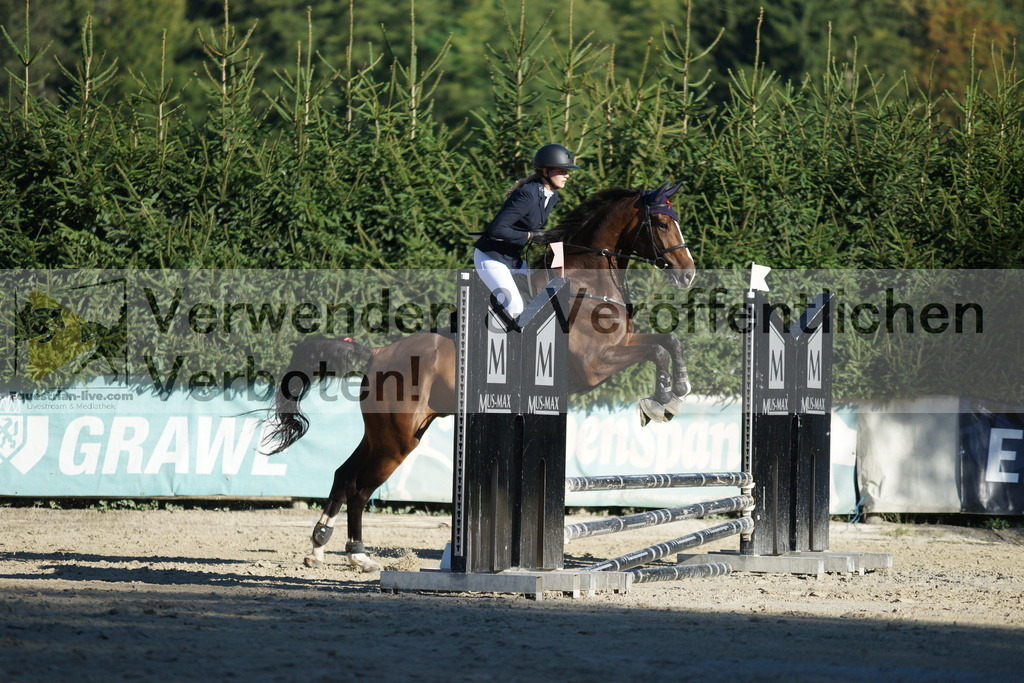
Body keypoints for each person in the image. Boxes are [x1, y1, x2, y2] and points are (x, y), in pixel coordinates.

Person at [473, 144, 580, 326]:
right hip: (492, 258)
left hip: (513, 259)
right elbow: (496, 230)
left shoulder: (551, 197)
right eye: (562, 171)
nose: (567, 175)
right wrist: (530, 236)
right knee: (516, 308)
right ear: (545, 171)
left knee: (537, 300)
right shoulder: (528, 194)